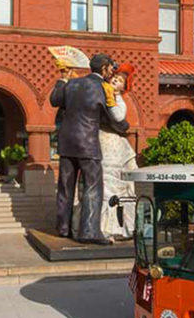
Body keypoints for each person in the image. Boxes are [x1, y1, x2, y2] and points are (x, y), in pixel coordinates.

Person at [49, 53, 128, 244]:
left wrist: (63, 78)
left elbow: (54, 99)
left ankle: (63, 228)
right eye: (111, 68)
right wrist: (124, 128)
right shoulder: (104, 88)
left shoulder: (72, 84)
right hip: (88, 146)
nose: (112, 71)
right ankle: (89, 232)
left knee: (65, 188)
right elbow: (113, 117)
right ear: (103, 69)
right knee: (93, 188)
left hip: (67, 144)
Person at [99, 64, 138, 242]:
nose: (116, 79)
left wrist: (113, 96)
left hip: (117, 146)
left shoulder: (118, 100)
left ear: (124, 86)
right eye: (115, 76)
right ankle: (106, 228)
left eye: (121, 80)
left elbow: (119, 117)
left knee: (125, 187)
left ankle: (126, 227)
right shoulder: (102, 94)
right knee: (106, 186)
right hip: (104, 143)